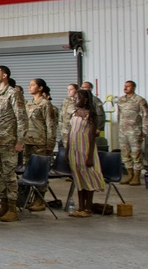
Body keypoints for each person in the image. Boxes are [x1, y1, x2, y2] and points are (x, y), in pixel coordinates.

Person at [0, 65, 27, 222]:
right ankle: (3, 206)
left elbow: (22, 118)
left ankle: (12, 208)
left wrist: (20, 141)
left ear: (4, 76)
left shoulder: (13, 94)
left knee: (9, 175)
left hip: (9, 141)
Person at [66, 89, 105, 218]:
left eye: (77, 98)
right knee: (78, 178)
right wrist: (66, 151)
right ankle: (81, 206)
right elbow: (70, 134)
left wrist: (89, 156)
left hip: (85, 150)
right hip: (74, 150)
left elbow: (92, 137)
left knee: (88, 178)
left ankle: (88, 207)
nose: (74, 100)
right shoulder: (74, 113)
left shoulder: (91, 115)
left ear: (85, 100)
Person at [23, 79, 59, 211]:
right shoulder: (28, 104)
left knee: (40, 171)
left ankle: (40, 200)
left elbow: (51, 125)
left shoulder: (45, 104)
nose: (30, 87)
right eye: (29, 84)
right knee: (29, 171)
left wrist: (50, 145)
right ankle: (30, 199)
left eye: (33, 85)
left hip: (40, 142)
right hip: (28, 142)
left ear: (40, 88)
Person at [115, 80, 148, 185]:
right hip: (123, 131)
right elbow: (119, 115)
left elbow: (145, 116)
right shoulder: (121, 100)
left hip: (135, 131)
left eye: (128, 86)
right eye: (124, 86)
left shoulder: (140, 100)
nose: (125, 88)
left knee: (136, 154)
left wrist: (145, 131)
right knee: (125, 154)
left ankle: (137, 177)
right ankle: (130, 175)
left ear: (133, 87)